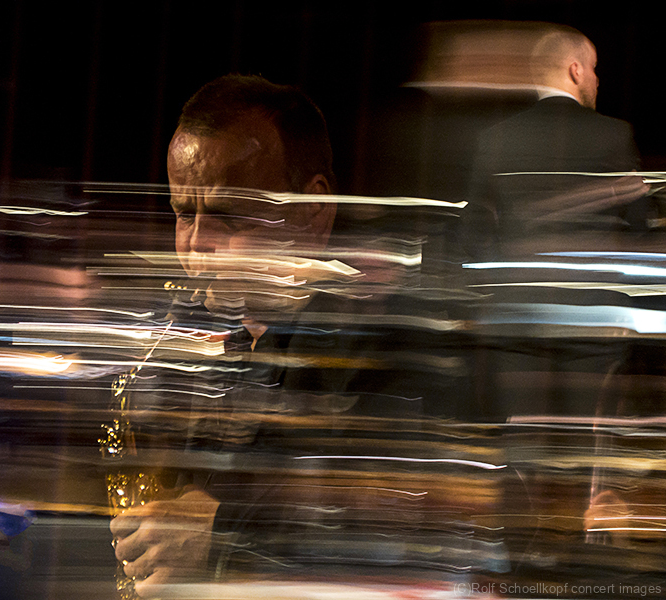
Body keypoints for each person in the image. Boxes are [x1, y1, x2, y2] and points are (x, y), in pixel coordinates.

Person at [110, 75, 487, 597]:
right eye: (183, 214)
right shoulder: (183, 341)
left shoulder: (398, 340)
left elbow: (410, 517)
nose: (195, 246)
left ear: (313, 208)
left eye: (226, 216)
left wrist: (224, 532)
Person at [465, 24, 648, 259]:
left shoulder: (495, 137)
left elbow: (475, 230)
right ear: (576, 70)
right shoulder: (615, 134)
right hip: (594, 279)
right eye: (593, 68)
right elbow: (637, 226)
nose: (597, 80)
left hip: (518, 277)